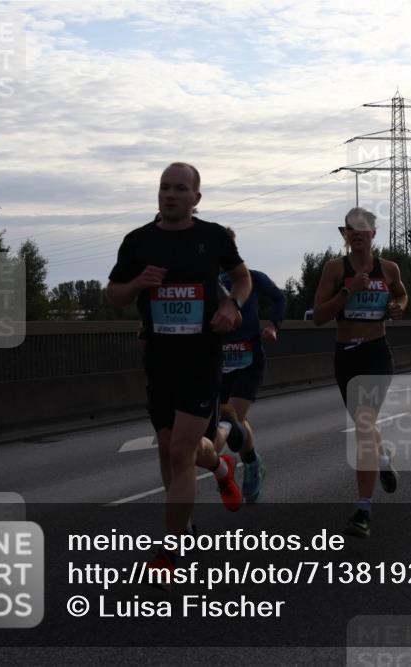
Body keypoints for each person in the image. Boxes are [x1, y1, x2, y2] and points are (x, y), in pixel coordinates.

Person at [107, 162, 252, 584]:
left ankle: (171, 549)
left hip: (201, 357)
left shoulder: (212, 237)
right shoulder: (138, 241)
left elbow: (241, 279)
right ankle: (222, 470)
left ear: (196, 198)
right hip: (160, 358)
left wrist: (231, 306)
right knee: (172, 448)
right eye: (164, 188)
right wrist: (137, 284)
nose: (170, 195)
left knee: (179, 451)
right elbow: (114, 294)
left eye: (180, 189)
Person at [312, 207, 408, 537]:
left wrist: (398, 308)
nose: (355, 233)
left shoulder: (389, 268)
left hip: (377, 354)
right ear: (346, 236)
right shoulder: (335, 269)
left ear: (373, 233)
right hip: (346, 356)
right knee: (364, 425)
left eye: (361, 228)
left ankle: (363, 512)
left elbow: (401, 293)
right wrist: (347, 291)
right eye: (349, 229)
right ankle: (382, 459)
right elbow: (319, 316)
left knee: (365, 425)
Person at [217, 226, 286, 503]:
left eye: (227, 249)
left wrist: (273, 326)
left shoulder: (252, 278)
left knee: (230, 418)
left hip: (249, 360)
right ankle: (252, 460)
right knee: (234, 424)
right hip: (218, 363)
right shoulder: (207, 281)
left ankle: (244, 466)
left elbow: (280, 298)